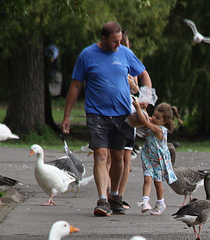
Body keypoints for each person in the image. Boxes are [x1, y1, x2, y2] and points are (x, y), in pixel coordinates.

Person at [61, 21, 152, 216]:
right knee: (101, 155)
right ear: (103, 39)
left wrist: (145, 98)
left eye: (120, 41)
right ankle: (102, 200)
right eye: (114, 42)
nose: (118, 45)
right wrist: (66, 116)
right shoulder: (87, 55)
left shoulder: (125, 53)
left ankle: (115, 196)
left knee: (118, 157)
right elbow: (76, 85)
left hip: (122, 114)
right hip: (97, 114)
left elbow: (143, 74)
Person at [132, 99, 181, 215]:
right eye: (154, 115)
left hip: (158, 160)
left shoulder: (159, 129)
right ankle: (145, 201)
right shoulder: (155, 123)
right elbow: (146, 118)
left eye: (157, 118)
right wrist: (143, 110)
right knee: (147, 178)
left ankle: (160, 202)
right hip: (148, 157)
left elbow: (145, 121)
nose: (153, 118)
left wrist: (138, 107)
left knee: (157, 182)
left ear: (164, 122)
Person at [117, 30, 140, 210]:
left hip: (127, 114)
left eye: (124, 44)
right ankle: (110, 193)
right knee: (109, 156)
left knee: (126, 158)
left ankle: (120, 196)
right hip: (110, 112)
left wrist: (131, 82)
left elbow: (136, 89)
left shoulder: (131, 62)